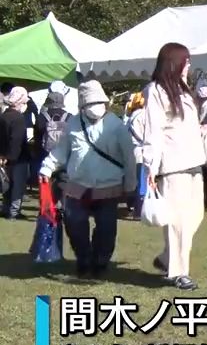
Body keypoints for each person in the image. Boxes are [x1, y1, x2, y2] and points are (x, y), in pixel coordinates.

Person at [39, 81, 136, 278]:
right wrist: (47, 167)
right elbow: (61, 151)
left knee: (106, 227)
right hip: (77, 185)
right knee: (74, 223)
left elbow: (129, 157)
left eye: (98, 102)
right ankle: (83, 258)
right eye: (90, 103)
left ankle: (100, 261)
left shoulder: (116, 126)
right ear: (82, 105)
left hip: (109, 186)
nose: (95, 107)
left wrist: (130, 184)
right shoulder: (73, 123)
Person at [141, 42, 207, 291]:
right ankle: (179, 272)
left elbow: (185, 125)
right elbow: (153, 131)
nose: (189, 65)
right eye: (186, 60)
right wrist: (151, 166)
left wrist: (202, 129)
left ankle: (166, 258)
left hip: (194, 162)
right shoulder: (156, 91)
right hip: (173, 166)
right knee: (179, 222)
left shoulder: (183, 91)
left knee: (196, 217)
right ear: (175, 62)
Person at [0, 86, 32, 219]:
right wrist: (11, 157)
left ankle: (6, 208)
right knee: (17, 187)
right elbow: (16, 140)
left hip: (4, 157)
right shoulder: (18, 118)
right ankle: (14, 212)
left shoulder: (4, 116)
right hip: (18, 158)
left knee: (7, 186)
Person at [124, 92, 147, 217]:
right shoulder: (142, 115)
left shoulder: (132, 115)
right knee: (142, 181)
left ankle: (133, 206)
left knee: (135, 180)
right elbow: (145, 135)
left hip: (133, 149)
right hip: (140, 150)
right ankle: (140, 210)